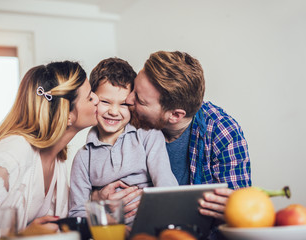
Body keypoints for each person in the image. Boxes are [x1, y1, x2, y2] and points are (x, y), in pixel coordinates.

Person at [93, 51, 251, 239]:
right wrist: (96, 199)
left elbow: (242, 218)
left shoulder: (222, 133)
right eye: (134, 89)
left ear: (175, 115)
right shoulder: (126, 117)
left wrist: (235, 211)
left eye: (140, 100)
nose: (128, 100)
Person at [0, 61, 99, 240]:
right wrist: (20, 237)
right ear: (67, 115)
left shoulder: (57, 160)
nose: (97, 99)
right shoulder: (12, 152)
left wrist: (98, 196)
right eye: (90, 97)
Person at [68, 58, 178, 225]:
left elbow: (165, 184)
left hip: (152, 226)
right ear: (93, 99)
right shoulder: (83, 158)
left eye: (124, 104)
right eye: (105, 102)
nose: (114, 111)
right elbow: (77, 212)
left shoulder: (148, 135)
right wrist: (108, 220)